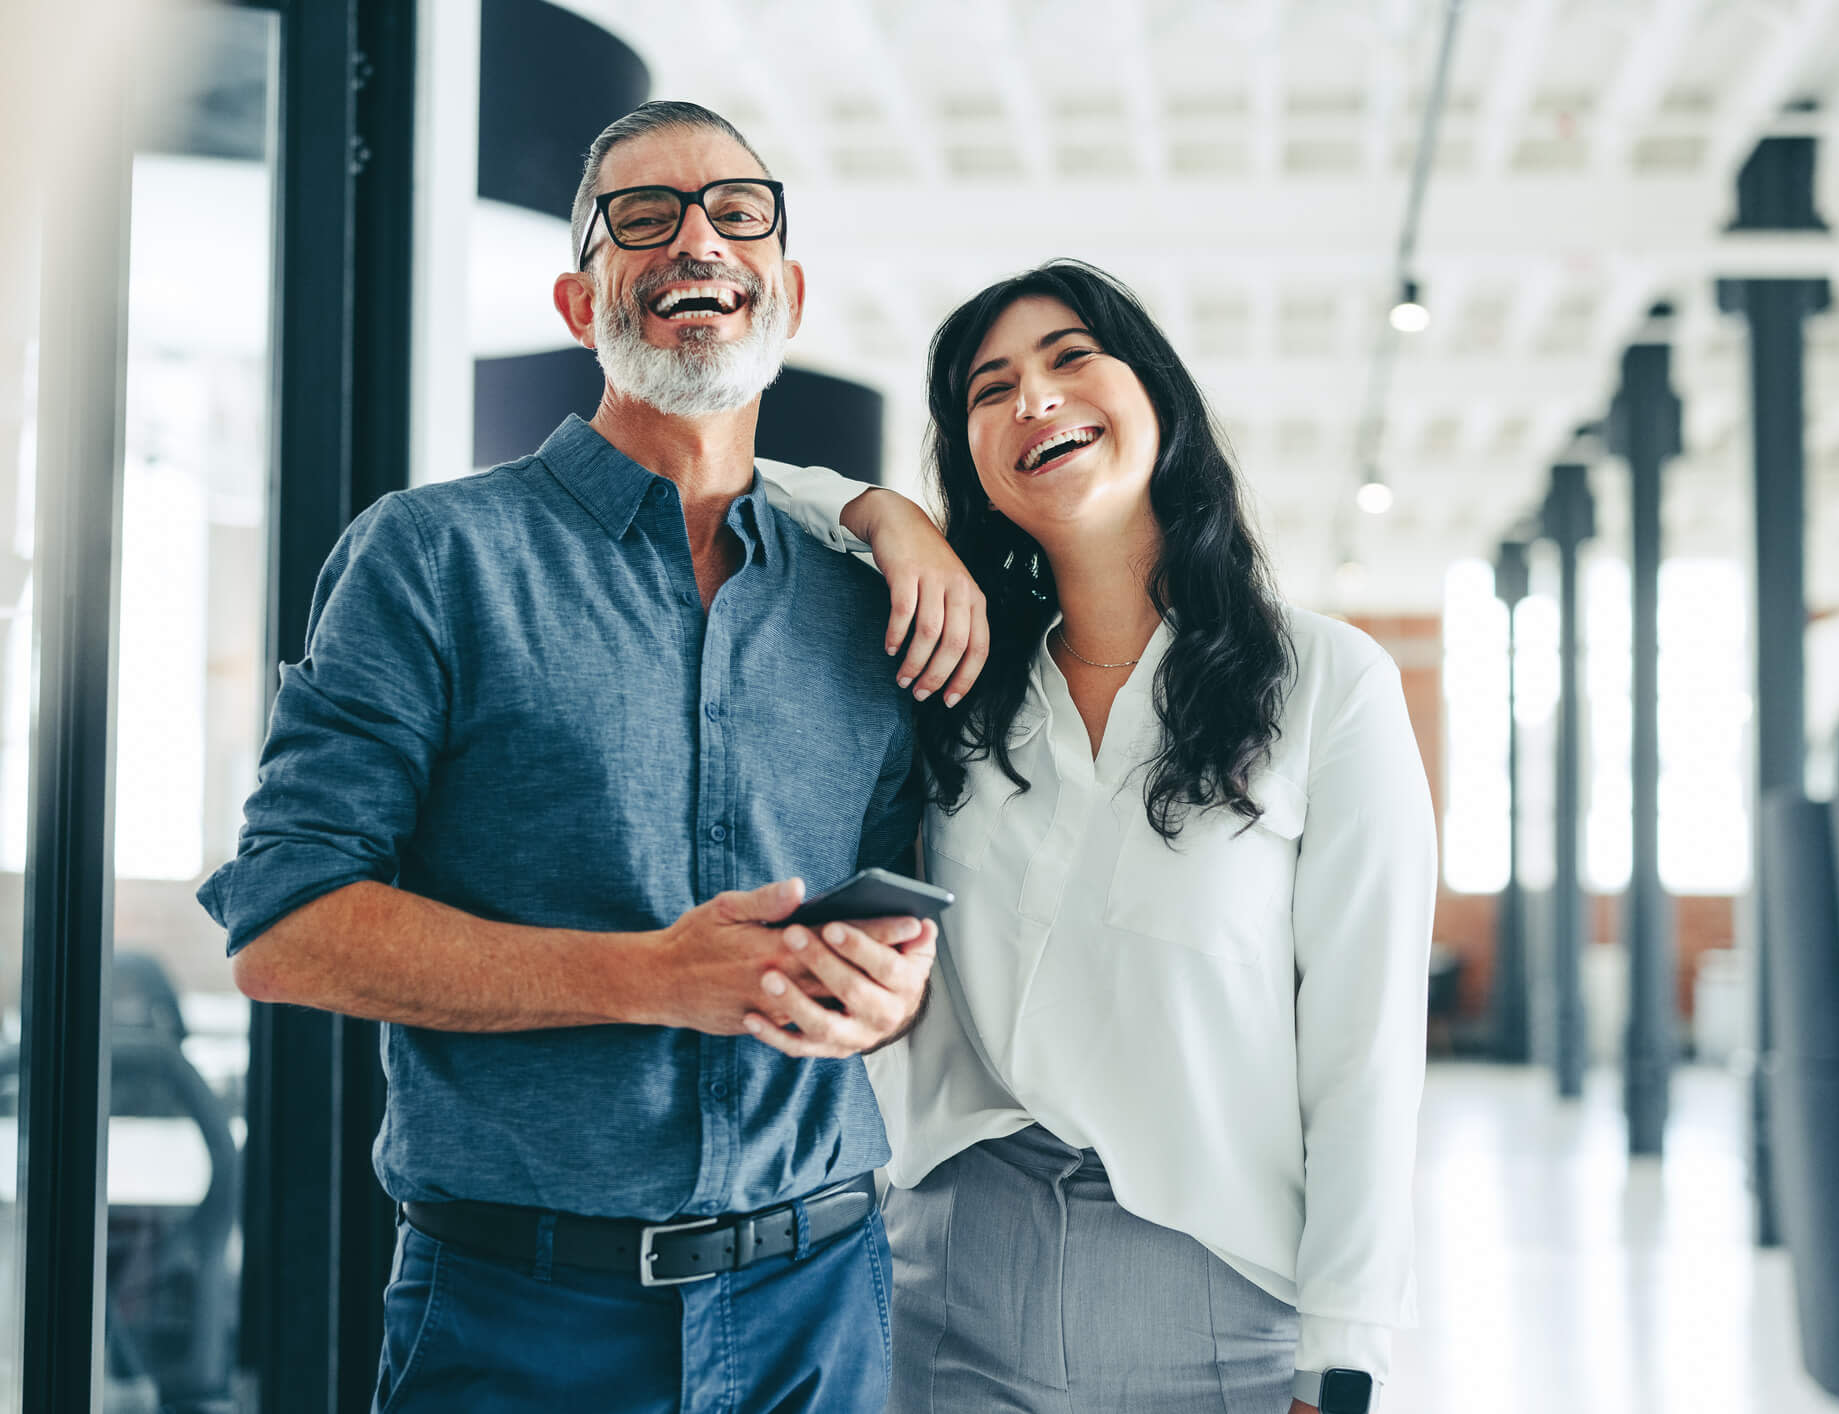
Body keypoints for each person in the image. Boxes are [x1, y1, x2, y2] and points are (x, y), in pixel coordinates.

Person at [198, 101, 987, 1414]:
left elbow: (904, 897)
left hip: (821, 1305)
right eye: (646, 216)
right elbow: (286, 924)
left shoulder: (870, 602)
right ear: (580, 300)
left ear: (785, 290)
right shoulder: (434, 558)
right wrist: (653, 977)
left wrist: (883, 995)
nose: (698, 240)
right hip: (522, 1319)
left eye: (739, 213)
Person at [758, 261, 1439, 1414]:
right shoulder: (957, 686)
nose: (1033, 397)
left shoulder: (1326, 681)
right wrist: (882, 516)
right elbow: (731, 486)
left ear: (1155, 396)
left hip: (1217, 1290)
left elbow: (1365, 1044)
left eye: (1070, 358)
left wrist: (1343, 1353)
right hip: (952, 1265)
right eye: (989, 388)